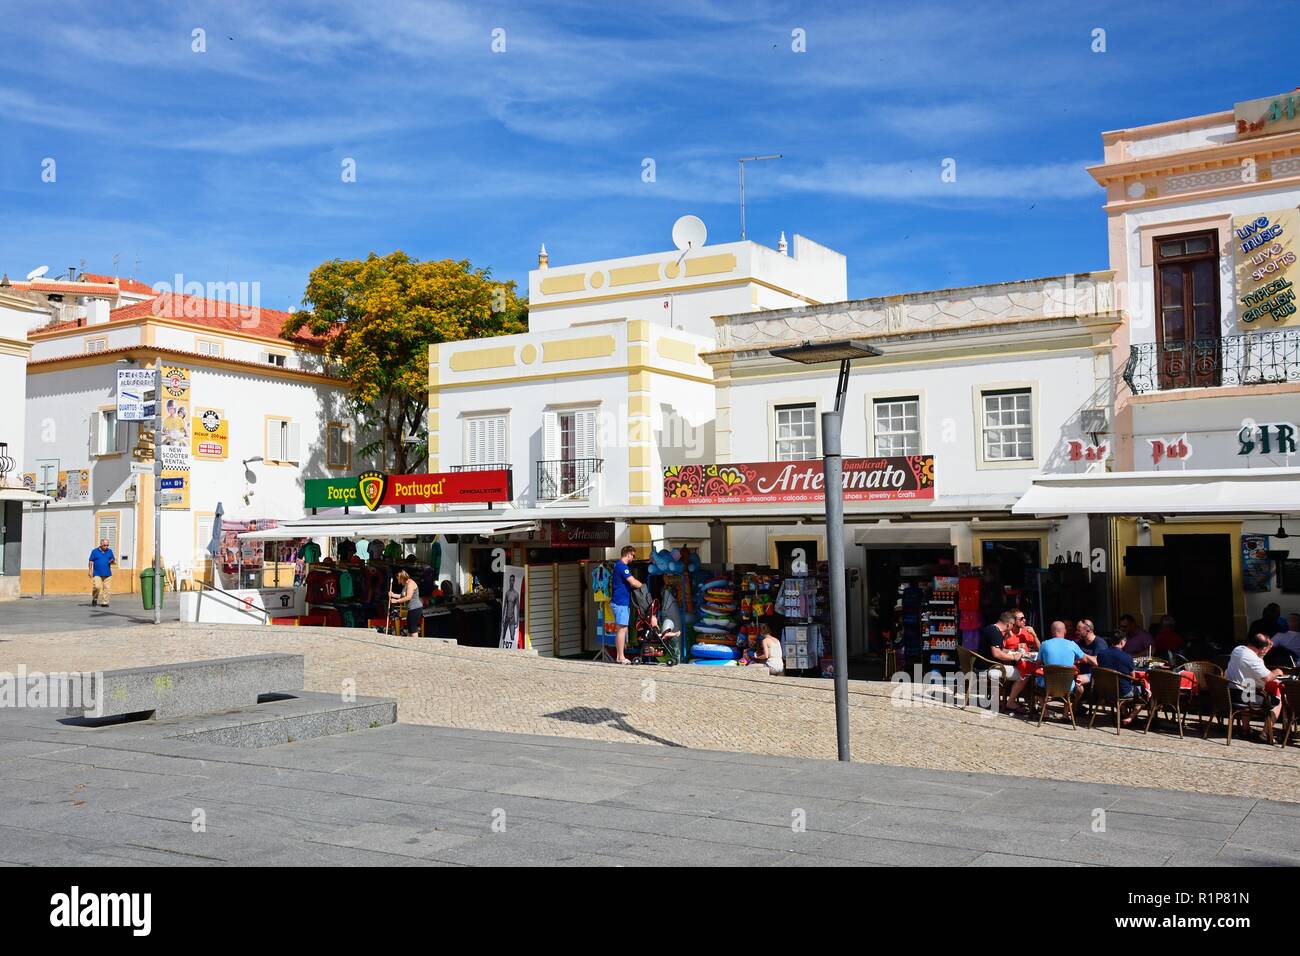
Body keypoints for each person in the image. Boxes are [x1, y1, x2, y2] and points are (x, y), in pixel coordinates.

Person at [1226, 634, 1285, 741]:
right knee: (1277, 701)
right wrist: (1277, 671)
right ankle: (1265, 734)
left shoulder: (1238, 649)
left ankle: (1245, 729)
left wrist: (1263, 651)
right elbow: (1268, 677)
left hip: (1231, 692)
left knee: (1249, 688)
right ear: (1262, 649)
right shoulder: (1254, 660)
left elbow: (1257, 662)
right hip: (1243, 697)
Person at [1095, 631, 1145, 724]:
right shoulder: (1127, 657)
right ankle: (1130, 718)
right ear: (1122, 642)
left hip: (1104, 691)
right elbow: (1133, 677)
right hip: (1122, 692)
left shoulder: (1101, 654)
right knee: (1146, 694)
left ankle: (1124, 713)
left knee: (1120, 687)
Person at [610, 545, 642, 665]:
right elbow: (633, 582)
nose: (633, 558)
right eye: (633, 555)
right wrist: (643, 585)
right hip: (620, 602)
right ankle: (621, 657)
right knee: (622, 629)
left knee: (622, 629)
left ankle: (619, 656)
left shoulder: (619, 566)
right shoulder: (622, 567)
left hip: (621, 602)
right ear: (628, 554)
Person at [1073, 619, 1107, 690]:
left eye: (1079, 630)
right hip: (1079, 672)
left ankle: (1076, 700)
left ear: (1088, 630)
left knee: (1078, 680)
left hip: (1095, 674)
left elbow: (1098, 662)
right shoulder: (1080, 642)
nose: (1076, 632)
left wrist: (1083, 657)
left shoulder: (1099, 643)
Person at [388, 569, 422, 637]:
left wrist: (396, 601)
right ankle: (410, 642)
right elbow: (402, 595)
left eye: (398, 578)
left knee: (413, 628)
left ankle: (416, 643)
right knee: (410, 627)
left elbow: (408, 597)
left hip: (415, 608)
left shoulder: (410, 583)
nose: (398, 581)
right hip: (411, 608)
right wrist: (393, 595)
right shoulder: (406, 584)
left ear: (401, 577)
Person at [87, 538, 116, 608]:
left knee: (107, 588)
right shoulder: (94, 551)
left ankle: (104, 602)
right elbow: (91, 561)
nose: (106, 547)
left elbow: (113, 560)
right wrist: (90, 571)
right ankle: (95, 598)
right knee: (97, 587)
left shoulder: (110, 551)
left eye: (107, 545)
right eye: (105, 545)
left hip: (107, 573)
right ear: (101, 544)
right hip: (97, 573)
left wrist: (112, 561)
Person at [498, 573, 521, 648]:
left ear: (514, 581)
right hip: (506, 617)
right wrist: (502, 618)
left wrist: (517, 621)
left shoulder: (516, 594)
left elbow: (518, 608)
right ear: (509, 581)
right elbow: (504, 606)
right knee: (503, 637)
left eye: (512, 580)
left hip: (512, 617)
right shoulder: (507, 593)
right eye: (510, 580)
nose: (511, 582)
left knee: (512, 637)